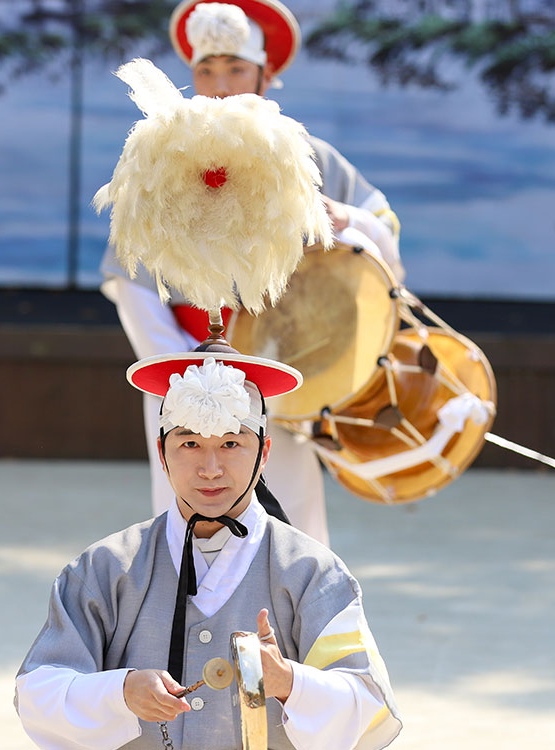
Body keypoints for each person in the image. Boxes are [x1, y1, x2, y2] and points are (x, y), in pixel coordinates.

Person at [99, 0, 404, 547]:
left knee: (287, 527)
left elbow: (379, 224)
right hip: (183, 364)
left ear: (267, 74)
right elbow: (131, 277)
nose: (220, 84)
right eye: (205, 71)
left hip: (281, 370)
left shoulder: (305, 152)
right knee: (191, 527)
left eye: (236, 69)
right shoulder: (161, 151)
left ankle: (293, 628)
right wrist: (177, 370)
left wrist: (348, 218)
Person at [14, 343, 401, 750]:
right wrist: (120, 692)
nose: (210, 469)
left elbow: (371, 708)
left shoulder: (312, 572)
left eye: (231, 444)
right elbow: (37, 692)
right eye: (189, 444)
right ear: (162, 453)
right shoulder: (106, 568)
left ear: (264, 453)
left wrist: (289, 682)